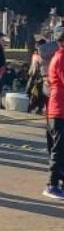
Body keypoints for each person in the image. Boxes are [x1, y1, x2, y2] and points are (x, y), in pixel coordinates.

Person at [42, 27, 64, 200]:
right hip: (59, 108)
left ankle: (58, 183)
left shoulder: (58, 56)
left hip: (56, 107)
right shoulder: (61, 57)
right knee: (59, 150)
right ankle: (52, 184)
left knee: (59, 149)